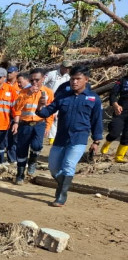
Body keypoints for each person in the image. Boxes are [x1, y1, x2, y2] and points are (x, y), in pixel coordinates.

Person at [36, 65, 103, 207]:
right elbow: (45, 112)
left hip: (79, 138)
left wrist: (96, 141)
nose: (74, 82)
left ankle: (61, 196)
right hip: (61, 137)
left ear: (86, 80)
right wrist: (40, 106)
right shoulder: (62, 96)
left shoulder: (93, 99)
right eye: (72, 79)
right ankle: (63, 184)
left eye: (78, 79)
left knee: (68, 165)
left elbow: (97, 121)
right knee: (53, 167)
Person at [11, 68, 54, 184]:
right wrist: (28, 94)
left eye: (37, 80)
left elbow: (51, 111)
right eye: (32, 80)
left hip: (39, 124)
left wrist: (48, 126)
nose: (34, 82)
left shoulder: (48, 92)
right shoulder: (23, 92)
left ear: (43, 78)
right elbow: (16, 108)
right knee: (21, 149)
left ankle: (33, 161)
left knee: (37, 145)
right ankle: (20, 174)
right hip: (25, 124)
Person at [44, 60, 73, 144]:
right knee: (50, 117)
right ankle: (50, 137)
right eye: (66, 67)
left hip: (61, 99)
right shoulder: (52, 74)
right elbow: (42, 83)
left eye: (69, 68)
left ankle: (53, 137)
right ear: (61, 66)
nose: (67, 69)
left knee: (56, 118)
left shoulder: (68, 77)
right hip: (49, 98)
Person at [101, 73, 128, 162]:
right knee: (114, 133)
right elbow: (113, 94)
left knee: (127, 136)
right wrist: (115, 105)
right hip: (120, 111)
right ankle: (107, 143)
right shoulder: (122, 81)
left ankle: (119, 156)